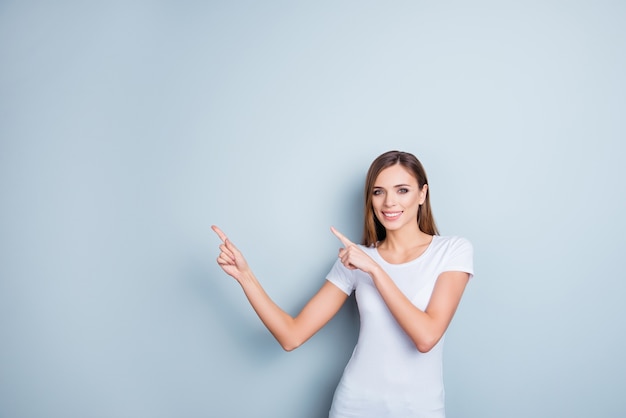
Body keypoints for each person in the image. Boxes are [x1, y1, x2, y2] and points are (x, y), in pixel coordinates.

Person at [212, 150, 474, 418]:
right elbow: (291, 336)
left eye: (402, 190)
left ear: (422, 194)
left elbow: (426, 337)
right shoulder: (355, 259)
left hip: (419, 409)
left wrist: (375, 270)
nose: (389, 202)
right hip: (354, 406)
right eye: (378, 192)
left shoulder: (451, 251)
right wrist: (245, 276)